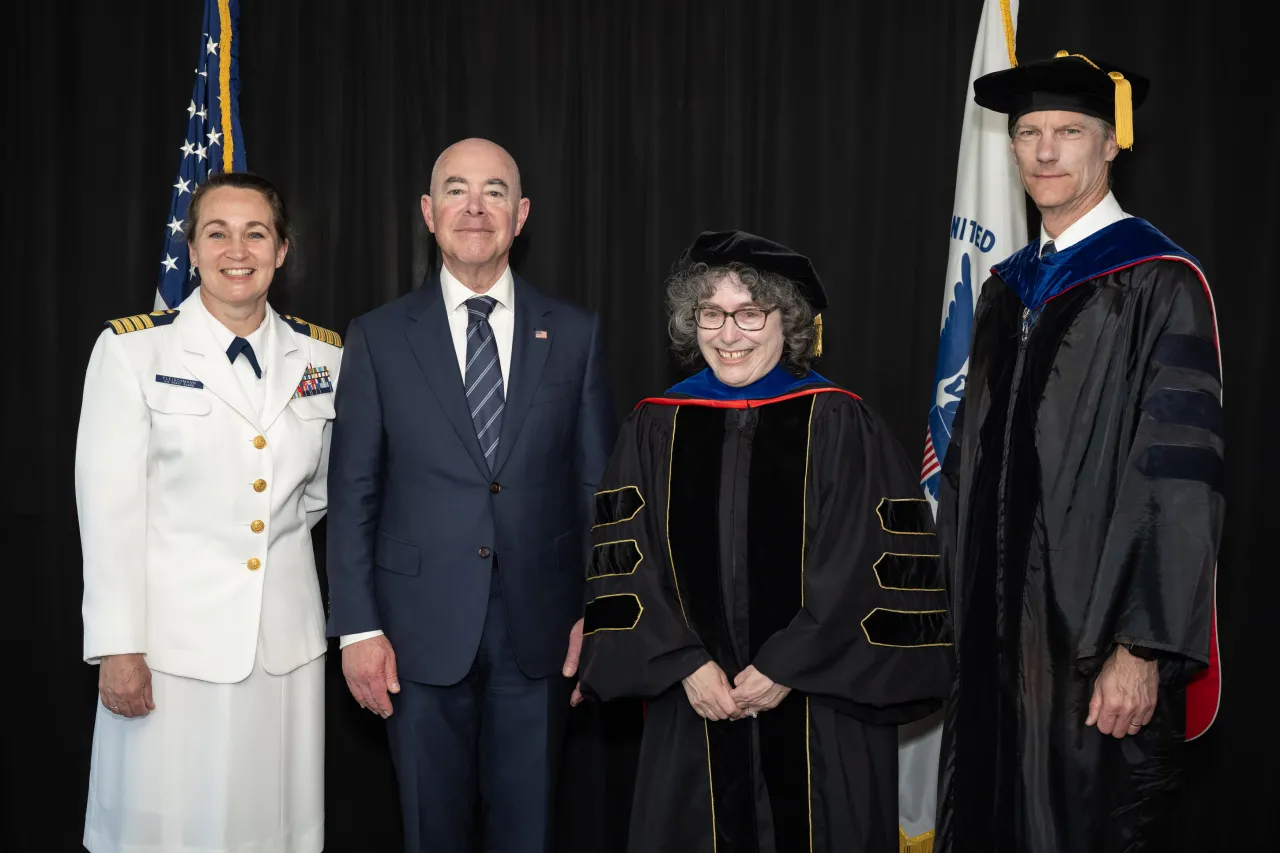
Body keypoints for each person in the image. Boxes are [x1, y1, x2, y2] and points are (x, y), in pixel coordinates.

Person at [576, 230, 955, 851]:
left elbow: (869, 566)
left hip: (820, 706)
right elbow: (625, 561)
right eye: (711, 314)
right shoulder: (655, 423)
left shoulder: (840, 421)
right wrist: (685, 663)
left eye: (750, 313)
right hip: (695, 703)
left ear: (790, 321)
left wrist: (786, 664)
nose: (728, 335)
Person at [934, 52, 1225, 853]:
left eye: (1068, 131)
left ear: (1110, 145)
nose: (1044, 150)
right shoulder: (1005, 287)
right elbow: (967, 471)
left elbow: (1179, 477)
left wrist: (1144, 646)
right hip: (992, 649)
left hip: (1091, 648)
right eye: (1028, 132)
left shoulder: (1159, 282)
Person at [325, 137, 616, 853]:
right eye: (456, 189)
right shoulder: (378, 336)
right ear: (429, 212)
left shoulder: (575, 334)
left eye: (493, 191)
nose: (475, 207)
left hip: (543, 632)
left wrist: (601, 614)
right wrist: (357, 629)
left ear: (521, 215)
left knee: (530, 829)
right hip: (412, 633)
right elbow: (354, 488)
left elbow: (597, 488)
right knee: (431, 828)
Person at [76, 171, 344, 853]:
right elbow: (107, 509)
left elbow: (319, 492)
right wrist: (118, 645)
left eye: (256, 232)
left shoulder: (324, 357)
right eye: (217, 232)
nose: (237, 249)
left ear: (282, 250)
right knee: (164, 827)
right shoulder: (133, 351)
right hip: (169, 650)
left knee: (274, 828)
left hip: (283, 646)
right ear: (190, 249)